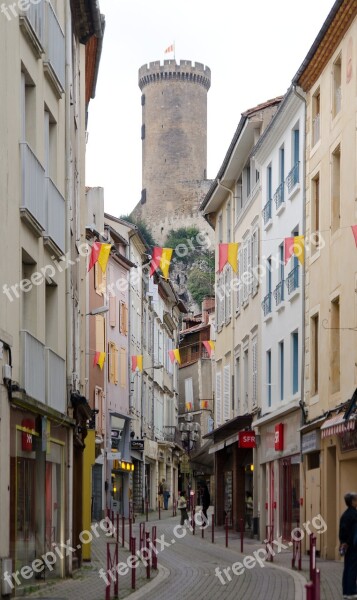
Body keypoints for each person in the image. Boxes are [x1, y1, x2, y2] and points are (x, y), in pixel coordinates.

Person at [339, 491, 357, 599]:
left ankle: (345, 591)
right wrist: (349, 542)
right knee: (353, 568)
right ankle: (351, 591)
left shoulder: (344, 515)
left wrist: (343, 543)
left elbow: (342, 531)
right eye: (355, 500)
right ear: (352, 502)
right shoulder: (354, 515)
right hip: (353, 546)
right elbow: (354, 532)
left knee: (347, 568)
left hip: (346, 545)